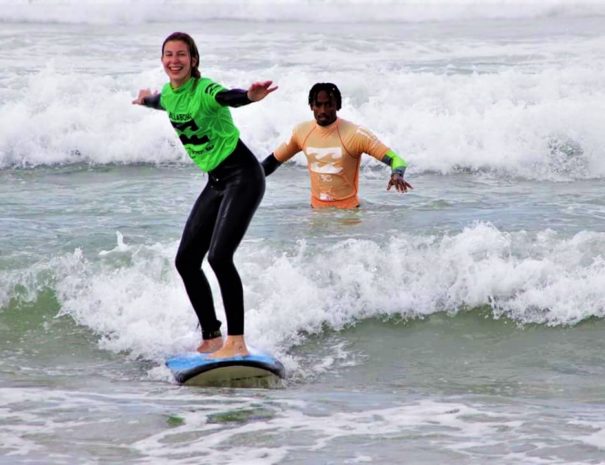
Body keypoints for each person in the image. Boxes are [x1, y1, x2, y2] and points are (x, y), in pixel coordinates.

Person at [132, 32, 277, 358]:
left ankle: (236, 342)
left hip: (243, 176)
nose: (174, 60)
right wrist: (145, 100)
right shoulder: (170, 93)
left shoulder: (205, 89)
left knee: (219, 257)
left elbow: (228, 97)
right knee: (186, 260)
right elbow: (162, 101)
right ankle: (212, 335)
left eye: (181, 55)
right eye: (168, 55)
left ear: (194, 60)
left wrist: (250, 97)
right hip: (217, 181)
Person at [262, 82, 412, 208]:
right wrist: (244, 180)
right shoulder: (301, 132)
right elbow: (271, 163)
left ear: (338, 105)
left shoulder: (356, 134)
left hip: (348, 214)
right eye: (318, 105)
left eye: (329, 105)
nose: (323, 111)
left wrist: (397, 174)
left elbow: (396, 160)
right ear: (311, 106)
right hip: (316, 213)